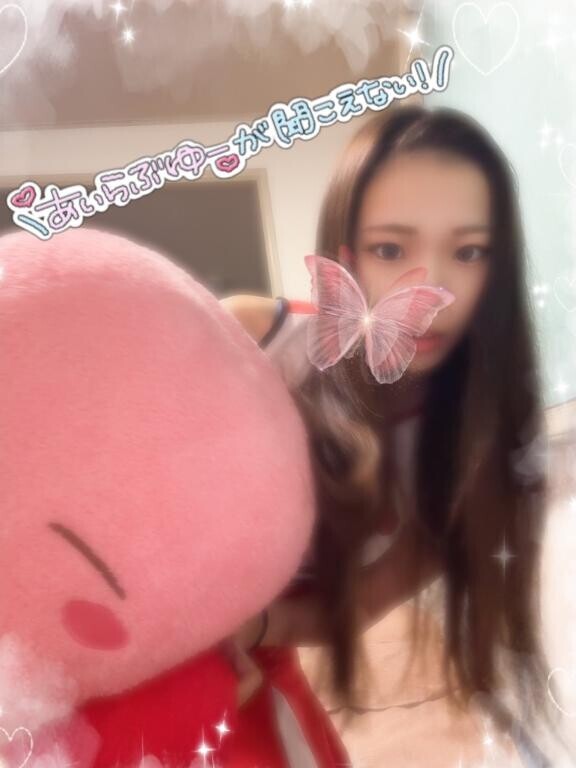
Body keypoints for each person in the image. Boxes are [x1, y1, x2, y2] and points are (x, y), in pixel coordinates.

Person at [218, 104, 561, 767]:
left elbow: (354, 606)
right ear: (344, 254)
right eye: (390, 249)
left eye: (469, 251)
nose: (431, 285)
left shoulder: (475, 456)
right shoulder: (250, 339)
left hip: (251, 660)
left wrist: (251, 629)